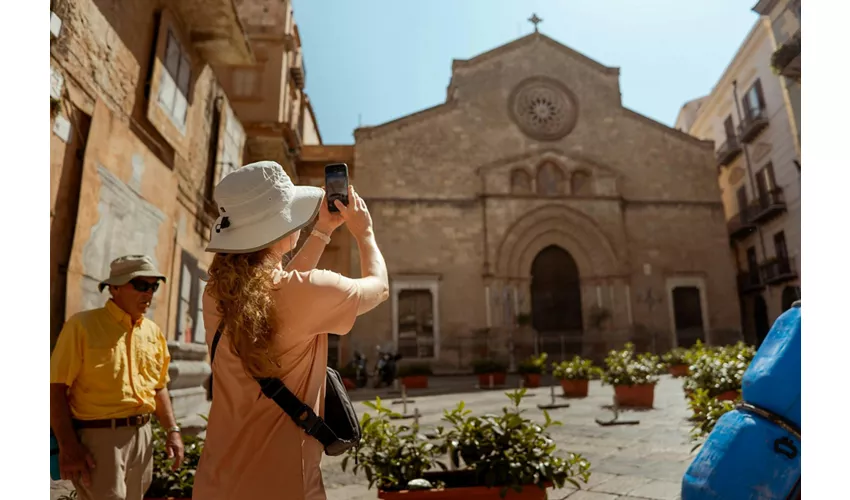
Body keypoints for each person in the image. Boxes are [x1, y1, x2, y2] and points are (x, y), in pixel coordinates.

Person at [193, 161, 389, 500]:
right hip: (285, 487)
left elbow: (279, 294)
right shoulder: (309, 292)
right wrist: (365, 233)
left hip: (215, 484)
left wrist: (322, 233)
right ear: (281, 229)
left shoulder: (216, 295)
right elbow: (380, 286)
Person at [50, 255, 184, 500]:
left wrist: (172, 430)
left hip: (143, 437)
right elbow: (55, 388)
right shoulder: (82, 326)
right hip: (100, 440)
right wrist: (68, 447)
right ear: (114, 288)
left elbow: (159, 386)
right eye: (141, 285)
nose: (149, 294)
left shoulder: (152, 332)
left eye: (153, 286)